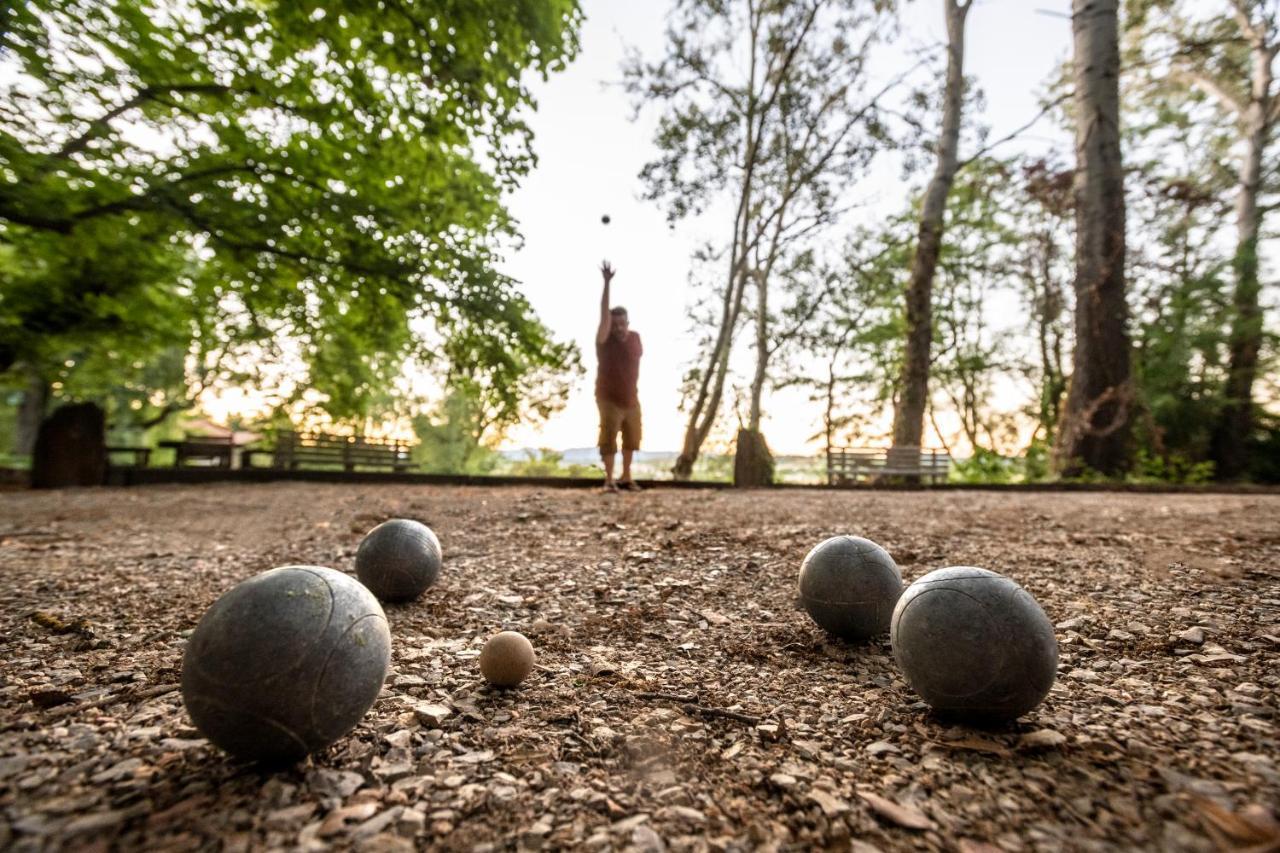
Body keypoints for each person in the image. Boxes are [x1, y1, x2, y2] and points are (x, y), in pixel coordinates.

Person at [595, 260, 643, 493]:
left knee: (632, 438)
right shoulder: (604, 341)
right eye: (614, 324)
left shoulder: (635, 338)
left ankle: (626, 477)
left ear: (628, 323)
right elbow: (604, 316)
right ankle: (609, 480)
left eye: (622, 324)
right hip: (608, 397)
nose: (618, 328)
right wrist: (606, 284)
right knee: (609, 437)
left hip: (631, 397)